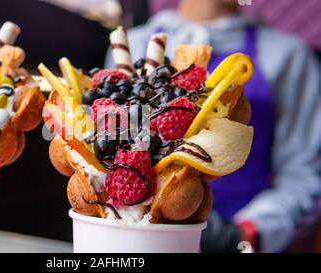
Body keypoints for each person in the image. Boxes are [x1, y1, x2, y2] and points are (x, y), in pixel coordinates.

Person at [106, 0, 321, 252]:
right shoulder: (133, 44)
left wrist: (246, 233)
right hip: (135, 237)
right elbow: (110, 152)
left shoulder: (287, 54)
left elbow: (303, 175)